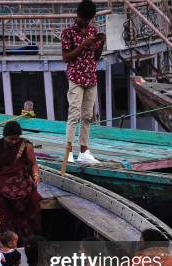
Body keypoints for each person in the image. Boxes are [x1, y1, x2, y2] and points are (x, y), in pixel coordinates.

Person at [61, 0, 106, 164]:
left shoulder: (92, 30)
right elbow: (66, 57)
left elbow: (96, 56)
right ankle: (68, 152)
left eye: (88, 20)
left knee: (87, 116)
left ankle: (84, 151)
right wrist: (83, 44)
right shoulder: (68, 33)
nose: (85, 23)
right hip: (76, 77)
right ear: (78, 15)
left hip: (91, 77)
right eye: (83, 19)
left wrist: (101, 42)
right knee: (74, 114)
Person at [0, 121, 42, 243]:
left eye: (17, 139)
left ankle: (31, 234)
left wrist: (36, 174)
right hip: (3, 179)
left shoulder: (26, 145)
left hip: (21, 179)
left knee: (34, 198)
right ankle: (7, 235)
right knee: (0, 201)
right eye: (11, 139)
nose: (14, 142)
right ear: (4, 136)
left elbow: (33, 164)